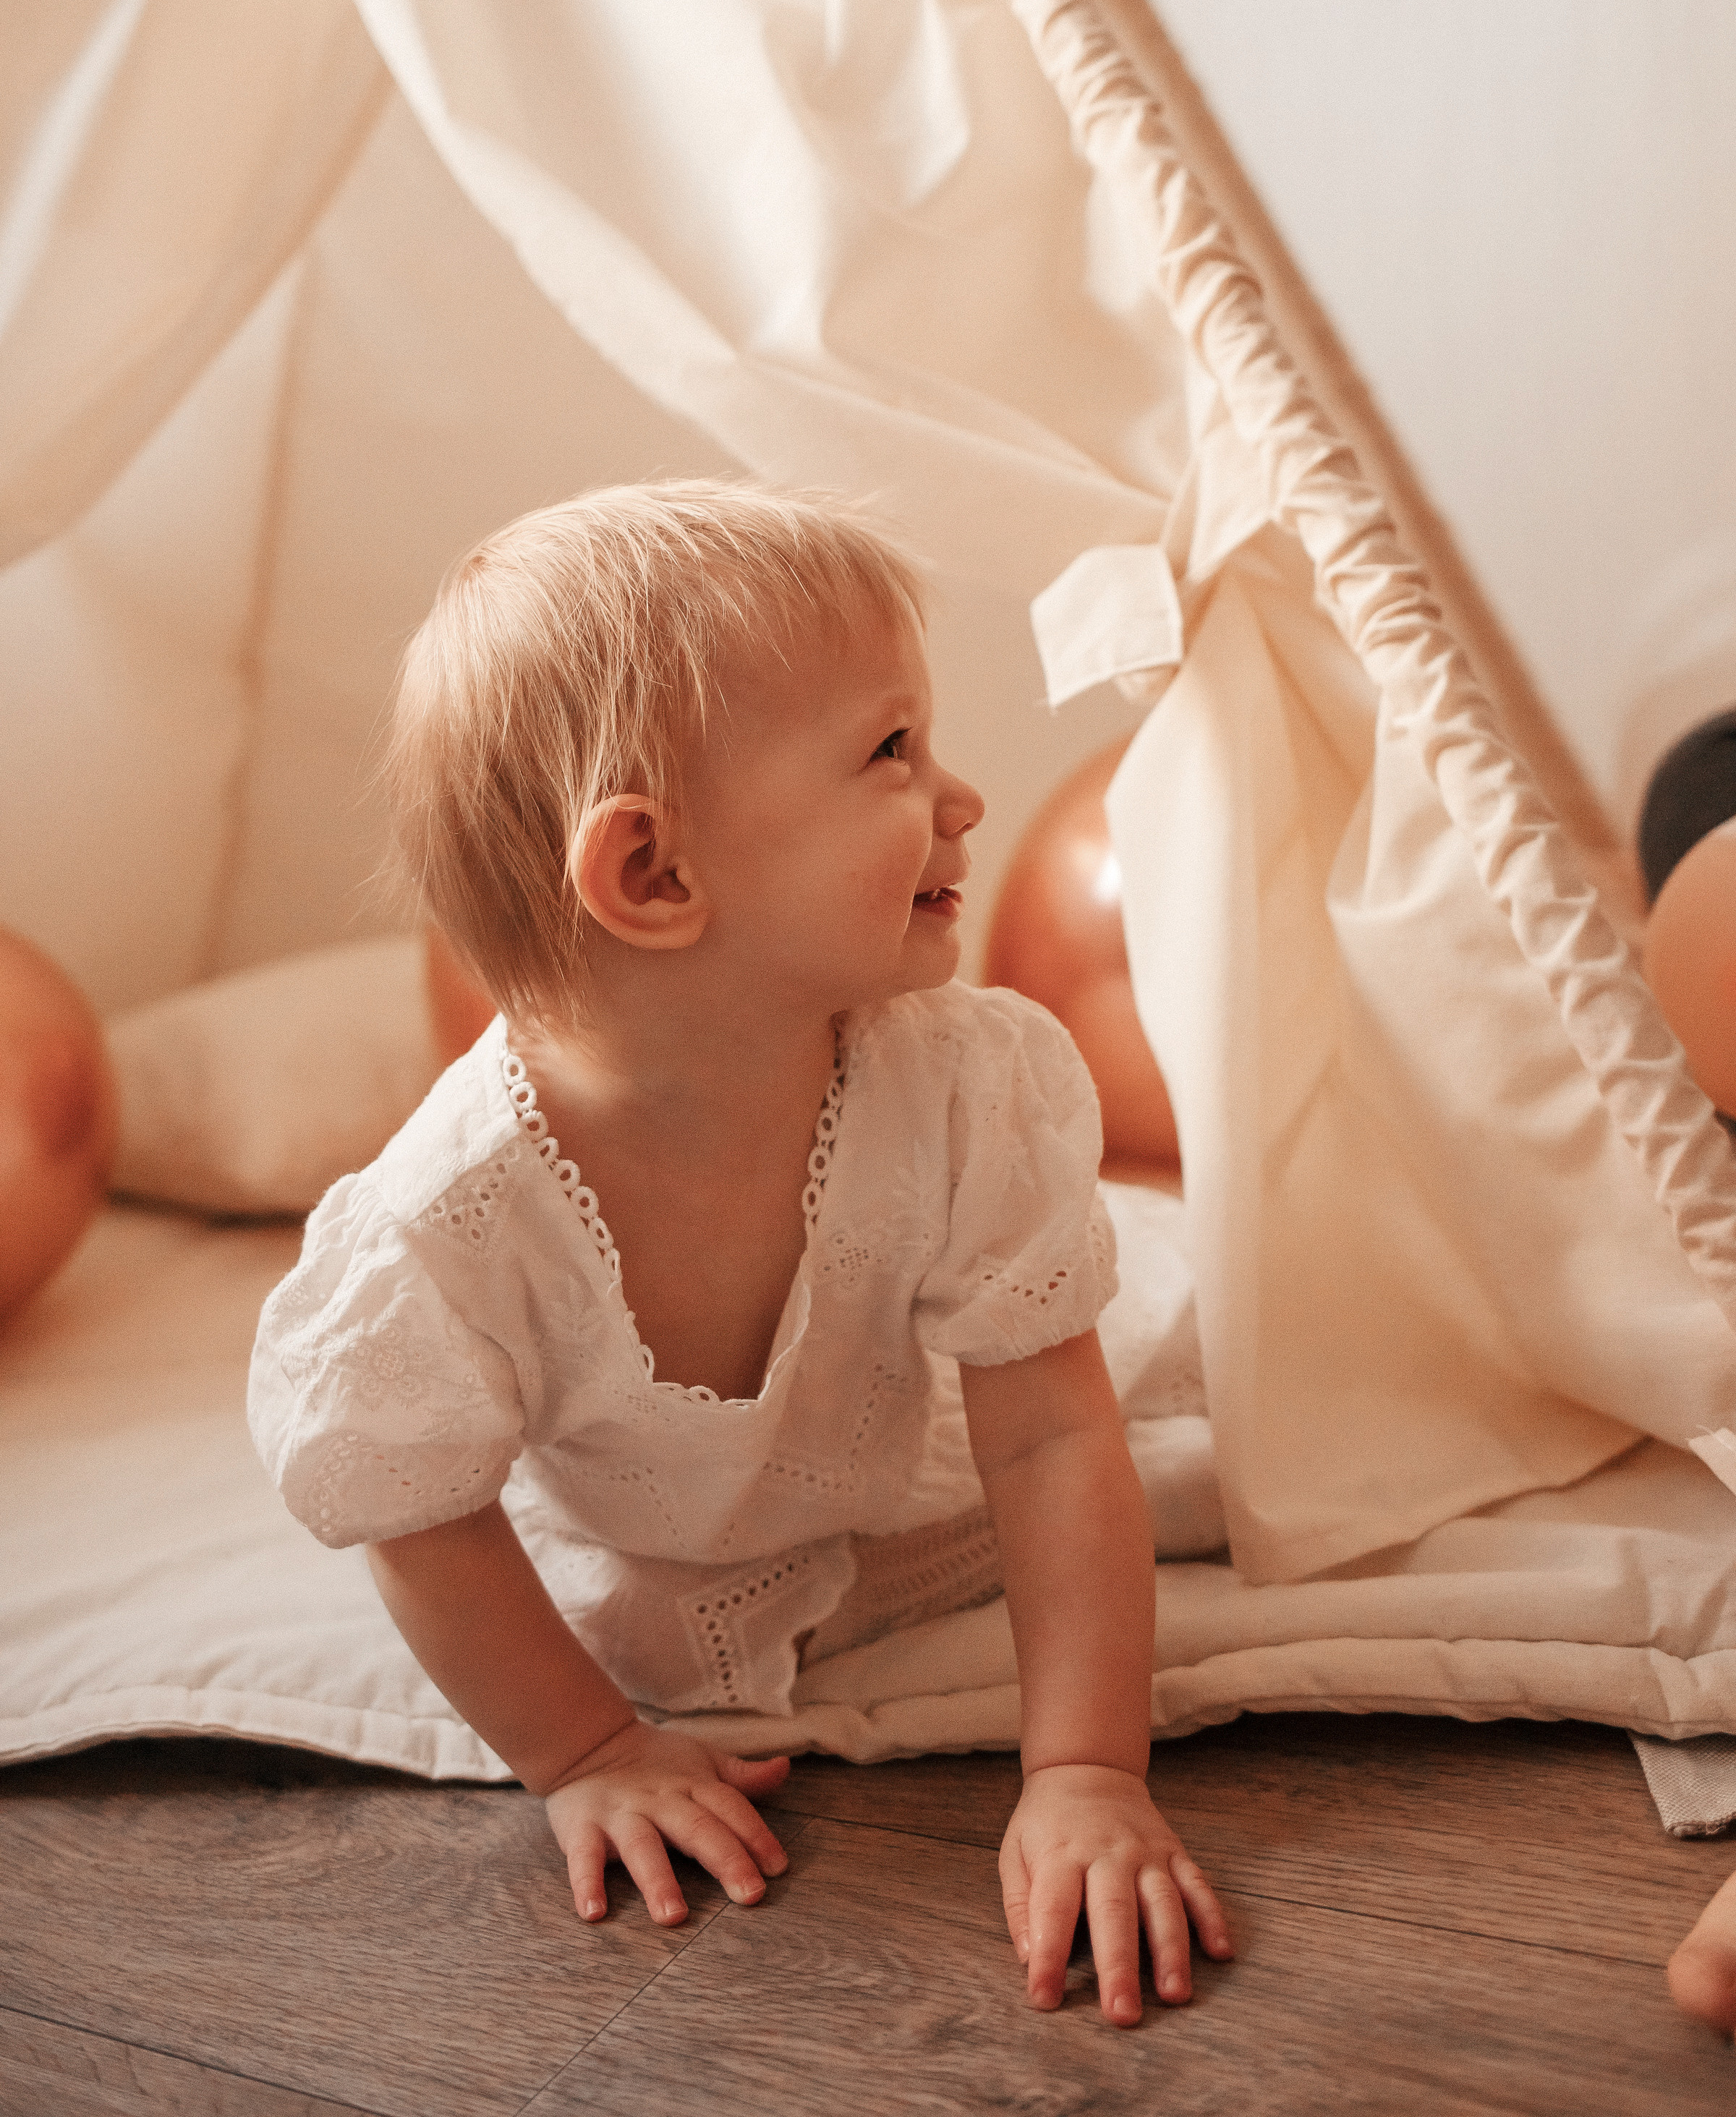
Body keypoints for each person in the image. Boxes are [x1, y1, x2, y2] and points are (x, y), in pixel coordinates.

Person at [247, 480, 1231, 2028]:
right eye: (892, 750)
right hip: (664, 1551)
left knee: (1225, 1438)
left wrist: (1088, 1770)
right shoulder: (450, 1221)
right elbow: (419, 1511)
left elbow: (1047, 1433)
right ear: (654, 876)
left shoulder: (963, 1081)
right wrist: (586, 1751)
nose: (966, 799)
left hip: (900, 1478)